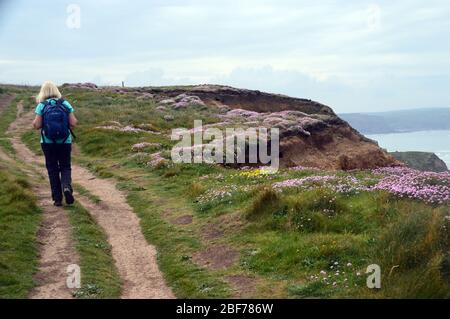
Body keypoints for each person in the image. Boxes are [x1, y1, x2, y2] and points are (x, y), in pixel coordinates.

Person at [32, 81, 78, 206]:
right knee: (65, 166)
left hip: (47, 142)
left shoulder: (42, 105)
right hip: (64, 142)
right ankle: (67, 187)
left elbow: (37, 125)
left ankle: (57, 199)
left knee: (52, 169)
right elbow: (73, 123)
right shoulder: (65, 103)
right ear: (56, 90)